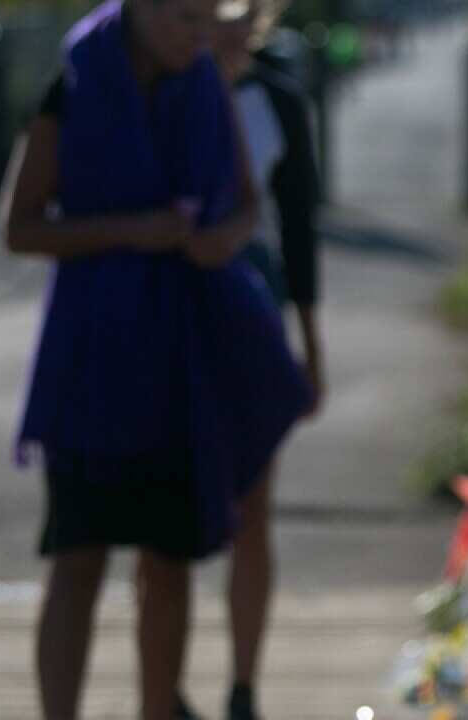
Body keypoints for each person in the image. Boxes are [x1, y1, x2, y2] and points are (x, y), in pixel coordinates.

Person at [0, 0, 311, 718]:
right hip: (92, 357)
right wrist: (133, 230)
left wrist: (220, 242)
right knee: (77, 560)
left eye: (207, 20)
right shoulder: (73, 82)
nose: (198, 36)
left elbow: (243, 204)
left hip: (182, 357)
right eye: (182, 17)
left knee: (167, 564)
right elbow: (18, 226)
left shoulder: (206, 82)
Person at [169, 3, 324, 718]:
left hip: (254, 304)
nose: (225, 27)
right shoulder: (163, 87)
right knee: (164, 511)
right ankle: (159, 685)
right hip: (170, 304)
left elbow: (299, 230)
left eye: (237, 13)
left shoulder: (279, 98)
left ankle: (242, 685)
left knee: (253, 503)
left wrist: (310, 345)